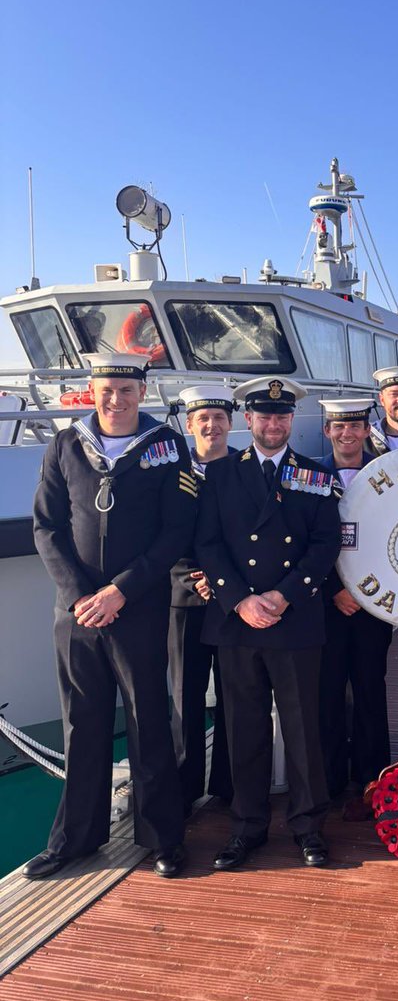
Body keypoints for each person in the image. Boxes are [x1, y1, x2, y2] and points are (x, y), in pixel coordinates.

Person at [27, 353, 196, 880]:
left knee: (149, 723)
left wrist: (120, 591)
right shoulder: (65, 444)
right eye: (107, 389)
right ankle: (76, 839)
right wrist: (81, 596)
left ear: (141, 393)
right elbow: (46, 527)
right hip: (77, 615)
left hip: (138, 609)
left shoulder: (168, 448)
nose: (116, 399)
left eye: (126, 390)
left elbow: (176, 532)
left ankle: (162, 838)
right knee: (82, 724)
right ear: (92, 391)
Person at [195, 377, 341, 870]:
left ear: (290, 421)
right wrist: (239, 601)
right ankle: (247, 827)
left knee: (304, 730)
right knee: (244, 729)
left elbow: (325, 545)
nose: (273, 423)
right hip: (239, 622)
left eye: (281, 416)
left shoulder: (315, 476)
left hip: (293, 619)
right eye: (264, 415)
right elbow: (207, 545)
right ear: (248, 420)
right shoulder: (219, 475)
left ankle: (307, 827)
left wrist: (282, 595)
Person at [316, 398, 392, 814]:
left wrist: (365, 592)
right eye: (339, 426)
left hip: (373, 604)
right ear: (327, 430)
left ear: (367, 430)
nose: (347, 433)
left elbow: (394, 537)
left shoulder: (386, 475)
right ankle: (328, 776)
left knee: (370, 688)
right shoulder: (310, 475)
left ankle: (373, 774)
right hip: (327, 604)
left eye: (355, 426)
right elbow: (304, 539)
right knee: (327, 691)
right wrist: (333, 590)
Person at [167, 385, 237, 812]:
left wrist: (224, 582)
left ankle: (229, 786)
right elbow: (157, 533)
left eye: (219, 418)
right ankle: (183, 786)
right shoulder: (169, 472)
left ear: (232, 423)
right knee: (184, 694)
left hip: (230, 602)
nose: (212, 426)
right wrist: (193, 581)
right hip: (184, 599)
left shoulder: (246, 471)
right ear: (190, 424)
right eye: (203, 419)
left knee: (234, 694)